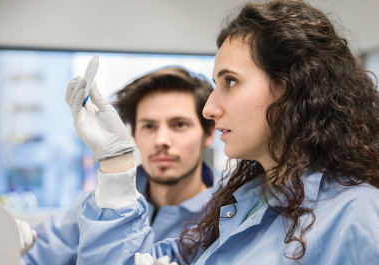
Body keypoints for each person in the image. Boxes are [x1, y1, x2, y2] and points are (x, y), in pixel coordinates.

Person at [66, 0, 379, 264]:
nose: (209, 109)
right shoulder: (240, 207)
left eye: (230, 81)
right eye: (216, 84)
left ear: (292, 87)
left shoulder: (357, 215)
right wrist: (117, 163)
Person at [20, 66, 216, 264]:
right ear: (134, 134)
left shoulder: (223, 218)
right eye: (148, 126)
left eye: (179, 125)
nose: (161, 140)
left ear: (209, 134)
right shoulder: (102, 203)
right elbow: (37, 254)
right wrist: (7, 246)